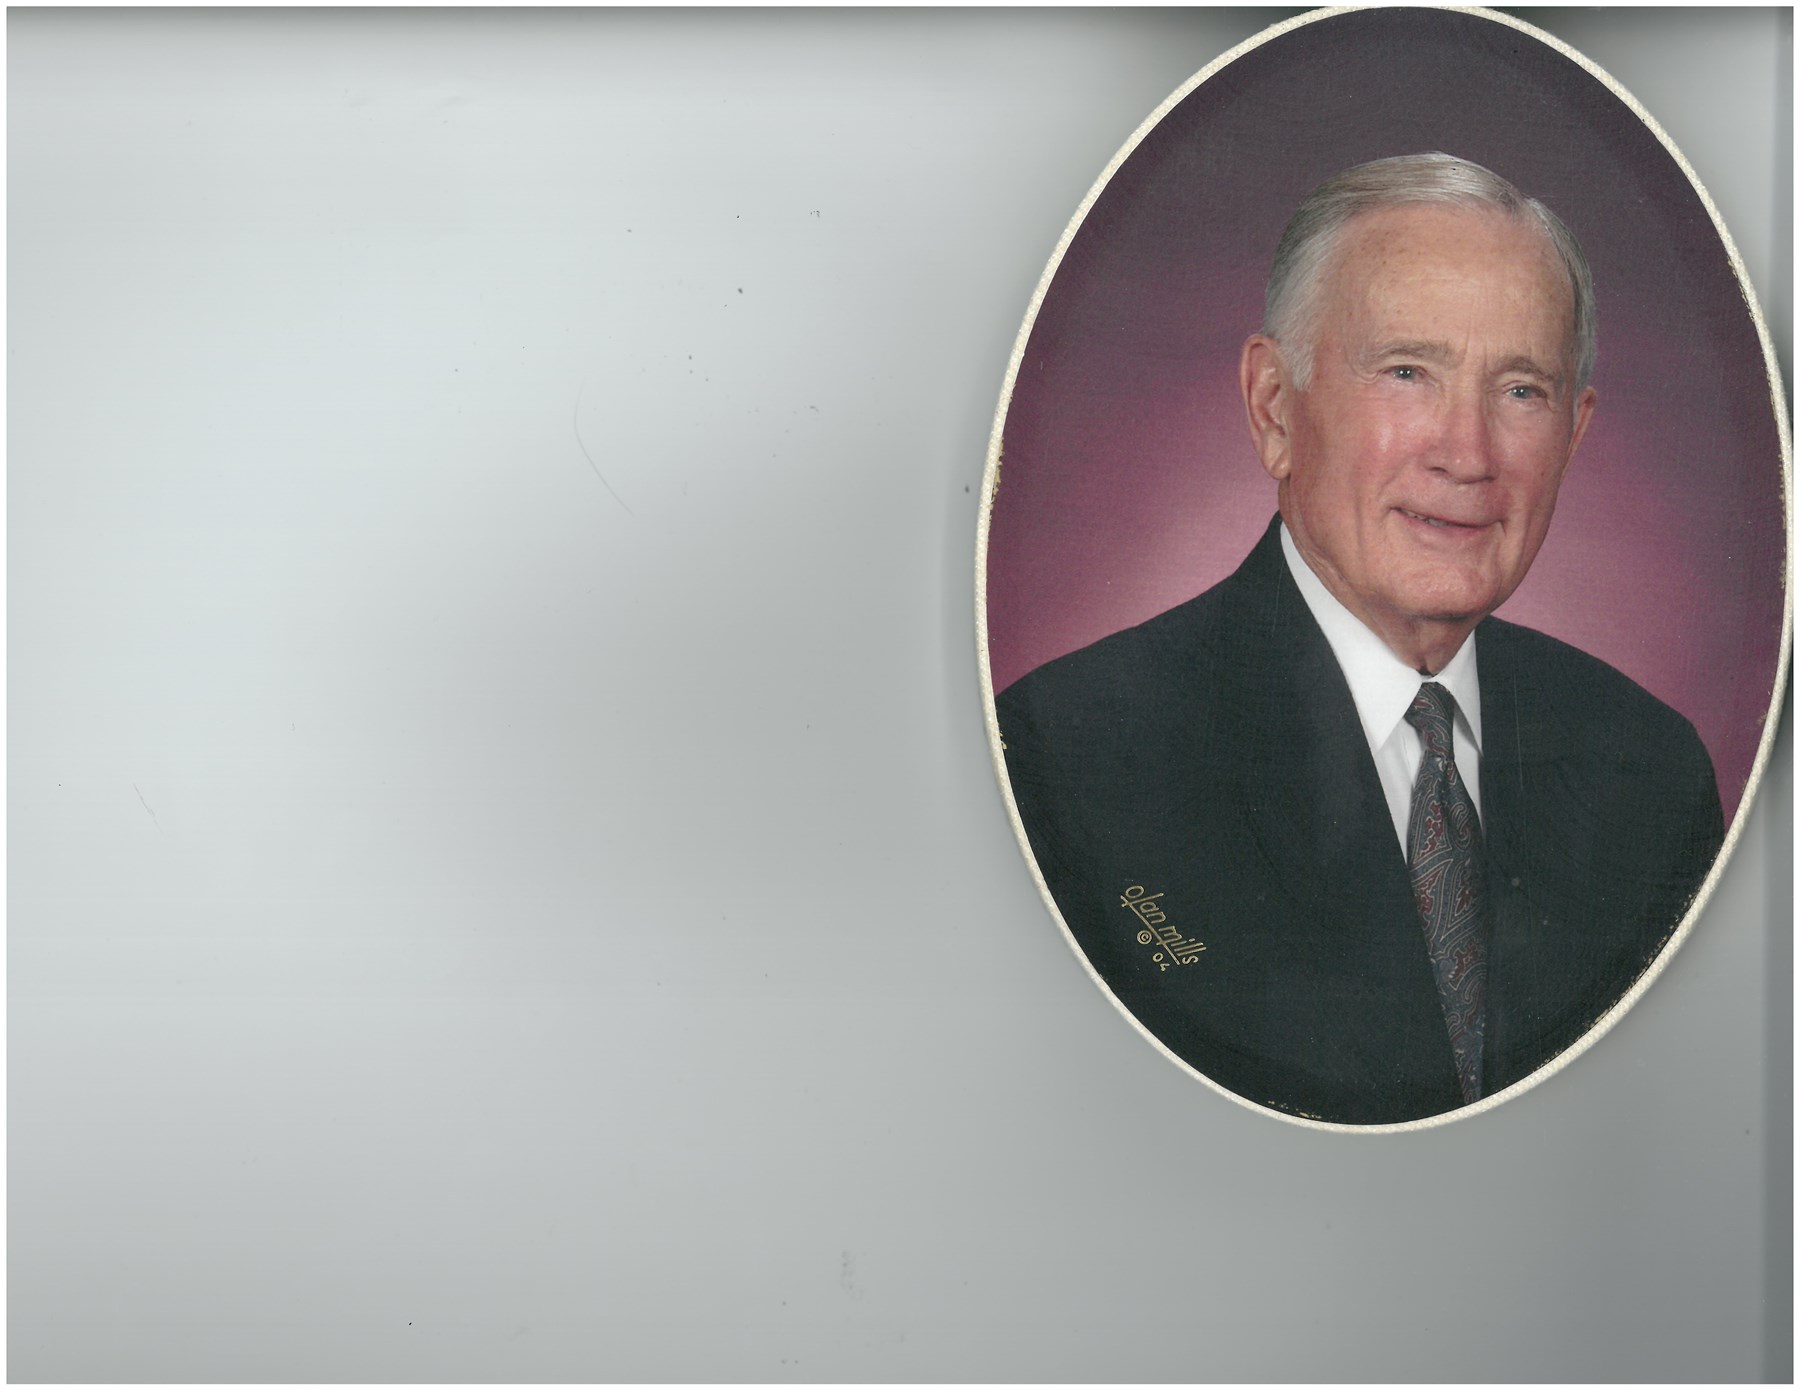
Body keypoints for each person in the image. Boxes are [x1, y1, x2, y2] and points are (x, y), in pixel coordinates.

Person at [995, 153, 1724, 1125]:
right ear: (1274, 406)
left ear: (1574, 434)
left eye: (1521, 390)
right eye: (1408, 372)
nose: (1467, 453)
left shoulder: (1651, 771)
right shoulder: (1068, 759)